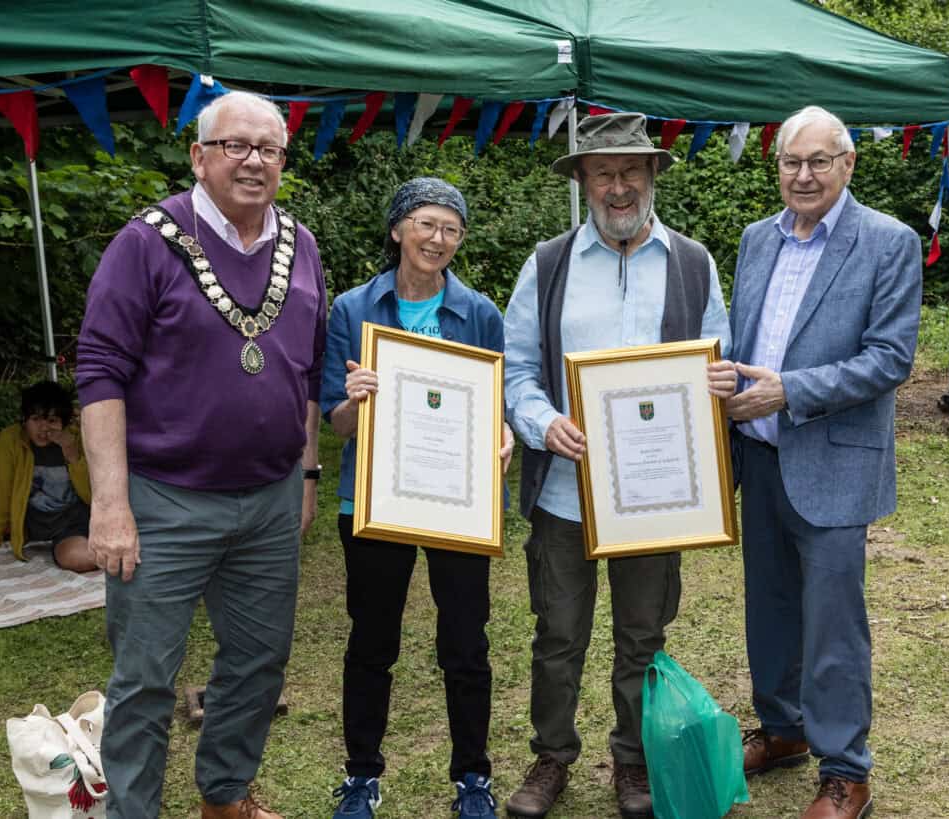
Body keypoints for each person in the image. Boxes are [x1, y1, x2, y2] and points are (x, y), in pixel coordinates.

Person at [76, 90, 327, 819]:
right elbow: (99, 372)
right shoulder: (146, 242)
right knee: (146, 676)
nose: (253, 161)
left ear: (283, 160)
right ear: (199, 156)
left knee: (256, 662)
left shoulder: (300, 243)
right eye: (235, 146)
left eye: (268, 149)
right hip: (164, 498)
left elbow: (305, 372)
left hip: (271, 494)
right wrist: (111, 503)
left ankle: (224, 797)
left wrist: (307, 471)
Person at [503, 112, 731, 819]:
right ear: (583, 181)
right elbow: (518, 374)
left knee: (642, 630)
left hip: (656, 495)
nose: (620, 185)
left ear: (653, 174)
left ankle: (632, 761)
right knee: (558, 630)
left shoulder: (693, 264)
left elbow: (715, 360)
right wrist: (545, 423)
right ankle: (552, 757)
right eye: (604, 171)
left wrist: (716, 386)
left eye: (632, 169)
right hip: (567, 492)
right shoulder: (547, 264)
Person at [707, 105, 922, 819]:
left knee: (833, 624)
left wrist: (787, 390)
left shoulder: (886, 242)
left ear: (848, 163)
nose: (803, 175)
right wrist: (727, 383)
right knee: (767, 607)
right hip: (761, 456)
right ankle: (784, 728)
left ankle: (845, 771)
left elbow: (889, 359)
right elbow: (746, 335)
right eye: (791, 162)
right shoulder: (754, 237)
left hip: (834, 461)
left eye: (818, 161)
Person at [321, 177, 513, 819]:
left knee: (466, 644)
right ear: (398, 229)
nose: (439, 238)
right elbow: (336, 421)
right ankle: (360, 778)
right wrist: (356, 400)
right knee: (372, 643)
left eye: (451, 228)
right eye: (427, 224)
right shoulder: (352, 310)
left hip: (457, 501)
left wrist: (505, 432)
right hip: (373, 501)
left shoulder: (481, 313)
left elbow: (496, 406)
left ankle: (473, 780)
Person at [0, 380, 97, 572]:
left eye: (52, 421)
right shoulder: (12, 440)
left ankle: (111, 550)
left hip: (71, 524)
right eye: (36, 419)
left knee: (78, 559)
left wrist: (72, 454)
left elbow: (94, 495)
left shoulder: (77, 438)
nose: (43, 428)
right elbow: (1, 493)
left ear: (64, 423)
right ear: (24, 420)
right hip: (28, 522)